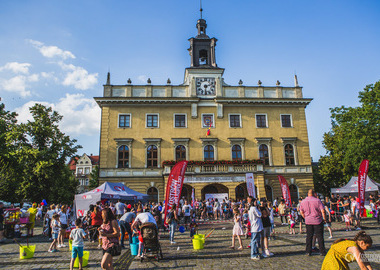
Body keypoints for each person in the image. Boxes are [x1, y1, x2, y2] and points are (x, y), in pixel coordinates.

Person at [299, 189, 327, 256]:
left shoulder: (303, 201)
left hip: (308, 221)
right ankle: (322, 251)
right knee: (320, 237)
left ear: (308, 194)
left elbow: (301, 212)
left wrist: (305, 217)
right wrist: (325, 219)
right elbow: (322, 211)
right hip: (317, 220)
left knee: (309, 236)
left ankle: (308, 251)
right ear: (314, 194)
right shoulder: (317, 201)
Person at [247, 196, 263, 260]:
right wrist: (259, 209)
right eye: (256, 202)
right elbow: (259, 214)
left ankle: (256, 253)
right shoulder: (254, 208)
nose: (257, 203)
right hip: (255, 227)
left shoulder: (251, 208)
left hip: (255, 226)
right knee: (254, 241)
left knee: (256, 241)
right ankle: (253, 254)